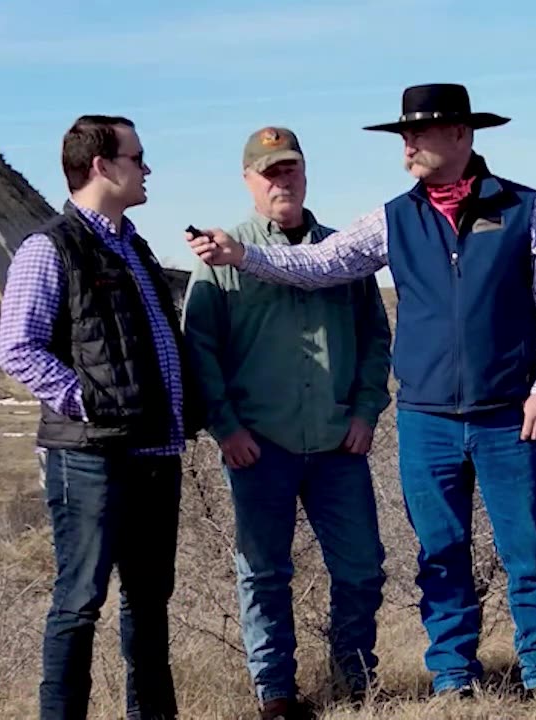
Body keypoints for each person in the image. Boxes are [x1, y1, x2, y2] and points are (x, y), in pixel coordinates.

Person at [185, 84, 536, 709]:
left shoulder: (525, 208)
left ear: (460, 135)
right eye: (402, 136)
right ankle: (453, 674)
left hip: (510, 414)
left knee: (529, 545)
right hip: (427, 417)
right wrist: (244, 256)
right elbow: (322, 264)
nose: (407, 146)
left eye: (417, 134)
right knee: (440, 551)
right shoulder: (394, 217)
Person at [181, 126, 393, 719]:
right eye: (269, 172)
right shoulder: (221, 257)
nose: (283, 180)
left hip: (337, 444)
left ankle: (355, 681)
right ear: (248, 181)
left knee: (361, 569)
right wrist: (225, 428)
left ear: (305, 173)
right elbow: (201, 349)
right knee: (264, 573)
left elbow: (377, 338)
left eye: (291, 169)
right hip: (259, 444)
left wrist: (366, 410)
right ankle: (274, 693)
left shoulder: (342, 251)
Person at [0, 114, 202, 720]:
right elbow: (18, 346)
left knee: (148, 598)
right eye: (137, 157)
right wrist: (86, 400)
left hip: (153, 453)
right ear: (101, 167)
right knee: (79, 599)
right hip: (88, 456)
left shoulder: (133, 245)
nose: (146, 169)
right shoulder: (49, 247)